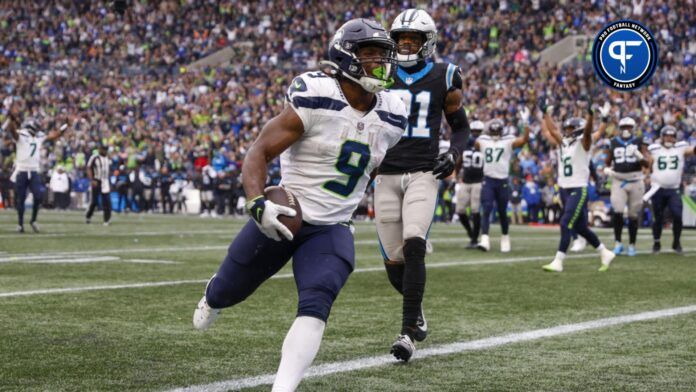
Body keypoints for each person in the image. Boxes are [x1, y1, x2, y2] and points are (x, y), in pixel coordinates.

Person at [192, 19, 407, 391]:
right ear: (347, 57)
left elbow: (374, 166)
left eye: (383, 55)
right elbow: (259, 151)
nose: (380, 63)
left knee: (317, 300)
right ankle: (213, 295)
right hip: (287, 213)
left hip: (333, 226)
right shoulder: (316, 94)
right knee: (229, 290)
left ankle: (283, 388)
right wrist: (258, 202)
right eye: (370, 54)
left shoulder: (393, 112)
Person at [373, 8, 470, 362]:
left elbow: (460, 126)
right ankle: (417, 312)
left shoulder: (446, 76)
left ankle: (407, 333)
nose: (406, 44)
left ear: (427, 42)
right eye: (401, 39)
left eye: (413, 38)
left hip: (423, 172)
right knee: (394, 263)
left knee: (414, 243)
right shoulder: (380, 74)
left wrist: (453, 153)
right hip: (385, 174)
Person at [538, 98, 615, 272]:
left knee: (565, 223)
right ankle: (605, 252)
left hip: (578, 189)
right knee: (580, 227)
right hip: (564, 189)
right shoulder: (564, 143)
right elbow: (552, 130)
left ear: (578, 129)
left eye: (570, 129)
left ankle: (558, 261)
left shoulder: (584, 143)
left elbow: (588, 132)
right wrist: (546, 114)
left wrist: (590, 116)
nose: (567, 131)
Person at [2, 98, 68, 233]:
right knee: (20, 199)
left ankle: (33, 220)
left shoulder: (38, 137)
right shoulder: (21, 136)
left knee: (39, 195)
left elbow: (54, 135)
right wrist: (11, 119)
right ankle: (20, 224)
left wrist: (65, 126)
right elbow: (12, 131)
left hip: (33, 172)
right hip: (21, 171)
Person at [475, 110, 530, 252]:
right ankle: (484, 239)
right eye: (492, 132)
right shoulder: (482, 140)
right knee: (486, 208)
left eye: (496, 131)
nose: (494, 134)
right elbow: (475, 143)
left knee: (502, 211)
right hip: (488, 179)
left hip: (502, 181)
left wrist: (525, 123)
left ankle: (505, 237)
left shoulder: (508, 140)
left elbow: (524, 140)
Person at [604, 114, 649, 256]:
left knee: (633, 215)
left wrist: (638, 155)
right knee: (617, 211)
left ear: (633, 128)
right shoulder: (613, 142)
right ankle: (618, 243)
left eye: (628, 127)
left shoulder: (639, 141)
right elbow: (608, 160)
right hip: (619, 180)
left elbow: (647, 163)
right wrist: (608, 168)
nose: (626, 129)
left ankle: (632, 245)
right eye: (623, 127)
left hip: (636, 180)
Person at [645, 125, 695, 254]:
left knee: (677, 215)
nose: (669, 138)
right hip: (657, 189)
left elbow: (693, 151)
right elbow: (647, 165)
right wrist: (646, 174)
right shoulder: (654, 149)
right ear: (661, 137)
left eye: (672, 136)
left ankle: (676, 242)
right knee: (658, 217)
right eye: (666, 135)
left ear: (675, 137)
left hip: (674, 189)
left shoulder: (681, 147)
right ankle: (657, 242)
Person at [456, 120, 484, 247]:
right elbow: (459, 160)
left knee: (475, 210)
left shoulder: (486, 145)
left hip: (479, 181)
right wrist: (456, 175)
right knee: (460, 210)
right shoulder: (466, 144)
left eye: (478, 132)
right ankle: (471, 232)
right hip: (466, 181)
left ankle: (474, 239)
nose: (475, 134)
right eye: (473, 131)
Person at [85, 143, 112, 225]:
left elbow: (108, 170)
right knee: (95, 202)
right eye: (103, 149)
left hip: (105, 181)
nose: (104, 151)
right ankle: (88, 216)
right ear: (100, 149)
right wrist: (92, 179)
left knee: (107, 201)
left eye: (105, 149)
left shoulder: (107, 158)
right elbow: (89, 168)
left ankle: (106, 220)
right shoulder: (94, 157)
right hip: (97, 180)